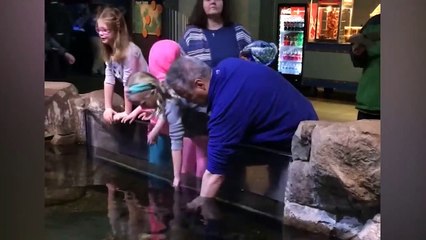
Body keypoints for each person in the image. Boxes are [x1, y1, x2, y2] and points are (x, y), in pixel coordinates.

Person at [165, 56, 319, 208]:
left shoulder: (226, 106)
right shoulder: (228, 65)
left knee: (282, 204)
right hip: (299, 115)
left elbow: (214, 174)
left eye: (188, 96)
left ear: (200, 85)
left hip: (298, 139)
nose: (190, 101)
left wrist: (199, 203)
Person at [125, 71, 208, 187]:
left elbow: (176, 142)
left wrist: (176, 177)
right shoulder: (162, 88)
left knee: (202, 156)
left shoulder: (171, 104)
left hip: (205, 116)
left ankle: (202, 190)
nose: (142, 108)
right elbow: (162, 107)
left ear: (152, 93)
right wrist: (154, 122)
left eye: (143, 103)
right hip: (195, 112)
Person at [96, 7, 148, 124]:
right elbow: (109, 79)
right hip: (135, 96)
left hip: (147, 94)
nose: (101, 33)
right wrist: (108, 108)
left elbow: (129, 83)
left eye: (105, 30)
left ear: (116, 30)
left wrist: (127, 112)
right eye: (99, 30)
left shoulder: (130, 51)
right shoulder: (109, 50)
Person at [180, 0, 253, 68]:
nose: (212, 1)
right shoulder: (191, 35)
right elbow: (179, 70)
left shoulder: (239, 32)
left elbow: (256, 63)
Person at [349, 14, 381, 120]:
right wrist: (357, 51)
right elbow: (357, 61)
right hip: (368, 101)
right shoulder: (374, 22)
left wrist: (370, 45)